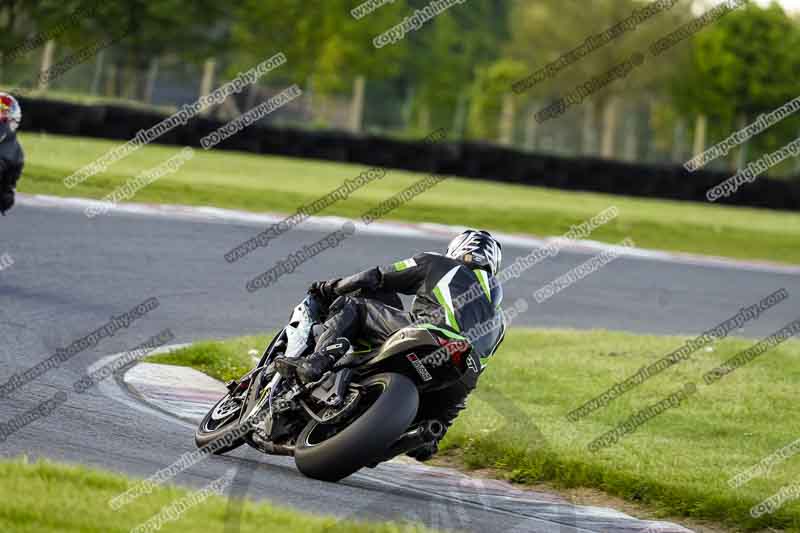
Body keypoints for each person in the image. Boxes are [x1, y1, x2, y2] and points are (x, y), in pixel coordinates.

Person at [275, 229, 506, 460]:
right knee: (441, 416)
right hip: (456, 376)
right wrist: (441, 422)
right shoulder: (501, 321)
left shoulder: (439, 263)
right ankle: (428, 435)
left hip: (429, 335)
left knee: (353, 305)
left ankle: (318, 361)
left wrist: (330, 287)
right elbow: (472, 376)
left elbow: (376, 277)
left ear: (457, 249)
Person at [0, 93, 24, 216]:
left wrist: (6, 193)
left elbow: (8, 191)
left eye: (3, 111)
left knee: (6, 199)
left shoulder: (15, 151)